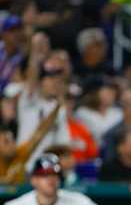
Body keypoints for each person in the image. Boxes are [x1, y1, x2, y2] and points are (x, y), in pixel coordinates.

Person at [18, 38, 71, 171]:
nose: (54, 83)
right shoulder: (29, 100)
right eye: (50, 78)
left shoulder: (59, 109)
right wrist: (35, 52)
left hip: (47, 169)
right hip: (23, 167)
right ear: (41, 82)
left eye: (57, 80)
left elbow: (64, 143)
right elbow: (32, 75)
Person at [74, 77, 122, 147]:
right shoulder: (82, 113)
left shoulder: (118, 113)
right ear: (95, 92)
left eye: (113, 92)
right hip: (92, 152)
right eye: (108, 91)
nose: (112, 94)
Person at [0, 15, 24, 93]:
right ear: (3, 33)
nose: (17, 34)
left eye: (19, 30)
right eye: (12, 30)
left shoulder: (22, 55)